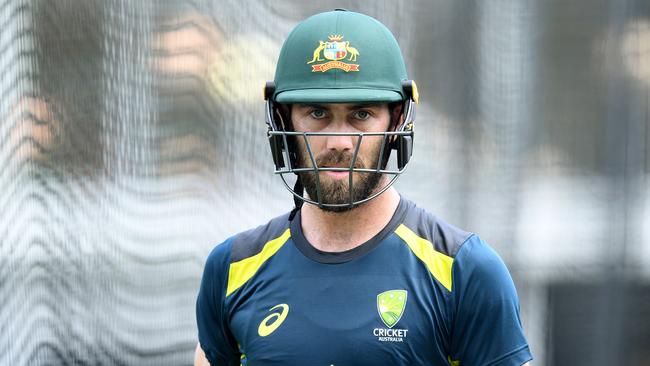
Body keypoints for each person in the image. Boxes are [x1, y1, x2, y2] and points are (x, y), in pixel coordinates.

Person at [195, 9, 533, 366]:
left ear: (397, 120)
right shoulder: (232, 268)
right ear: (282, 119)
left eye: (361, 114)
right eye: (317, 113)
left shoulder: (464, 270)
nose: (339, 141)